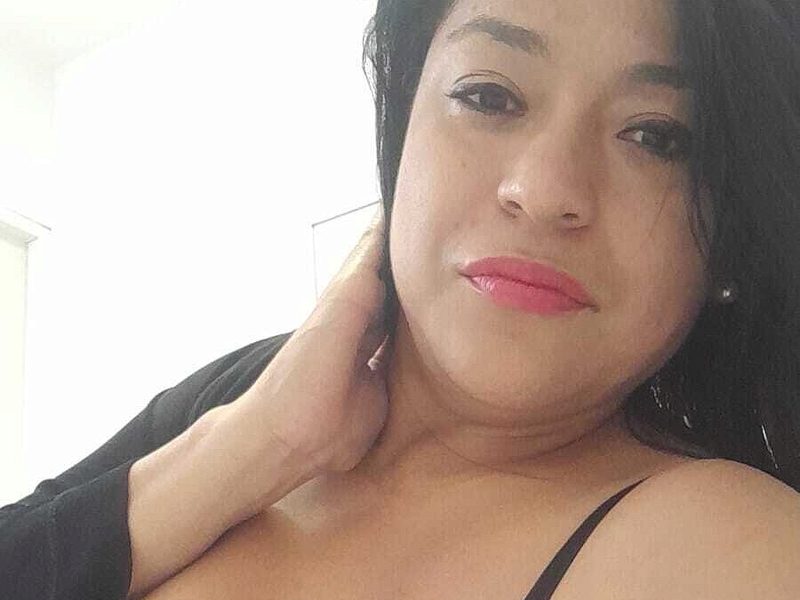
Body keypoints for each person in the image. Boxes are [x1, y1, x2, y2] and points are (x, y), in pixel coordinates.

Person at [2, 0, 800, 598]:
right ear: (401, 129)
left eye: (657, 137)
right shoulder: (251, 393)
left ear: (730, 239)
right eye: (489, 96)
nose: (544, 189)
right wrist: (256, 445)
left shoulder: (735, 552)